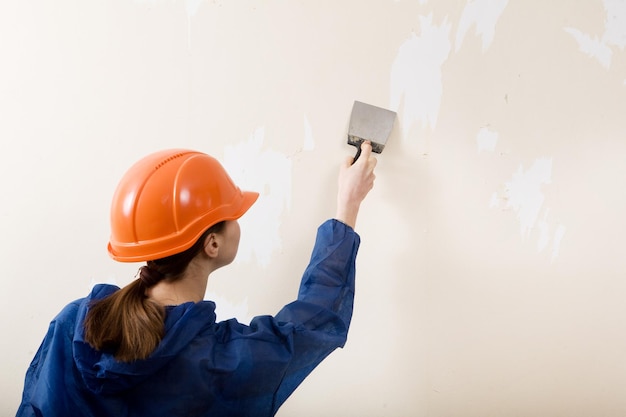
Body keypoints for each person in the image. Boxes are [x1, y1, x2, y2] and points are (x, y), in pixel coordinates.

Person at [16, 141, 377, 417]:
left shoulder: (74, 325)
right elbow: (313, 324)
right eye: (232, 214)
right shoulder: (220, 363)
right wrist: (348, 206)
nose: (239, 220)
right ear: (212, 243)